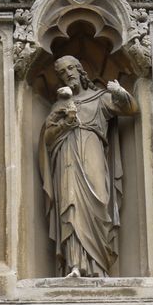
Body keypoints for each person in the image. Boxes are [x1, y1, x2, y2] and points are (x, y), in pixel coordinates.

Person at [39, 55, 139, 277]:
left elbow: (132, 109)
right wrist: (67, 121)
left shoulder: (100, 98)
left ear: (80, 70)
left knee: (99, 202)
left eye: (71, 68)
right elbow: (47, 137)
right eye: (63, 73)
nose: (68, 74)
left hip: (93, 153)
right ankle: (75, 265)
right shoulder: (60, 105)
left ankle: (99, 266)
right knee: (71, 206)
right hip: (67, 159)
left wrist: (119, 91)